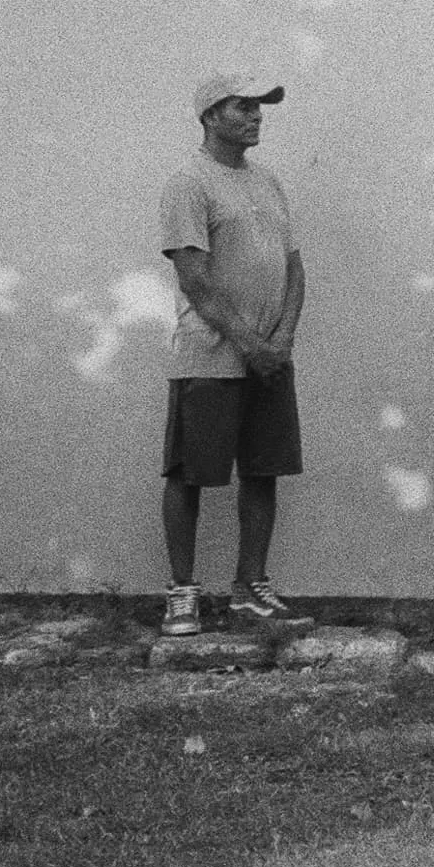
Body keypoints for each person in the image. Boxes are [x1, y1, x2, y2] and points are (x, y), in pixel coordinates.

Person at [157, 73, 310, 638]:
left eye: (260, 107)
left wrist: (282, 341)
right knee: (190, 473)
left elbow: (294, 268)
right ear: (209, 114)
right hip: (210, 356)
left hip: (270, 356)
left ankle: (251, 587)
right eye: (243, 107)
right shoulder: (189, 183)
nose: (256, 116)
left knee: (263, 470)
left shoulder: (268, 182)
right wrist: (249, 343)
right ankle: (182, 591)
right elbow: (194, 278)